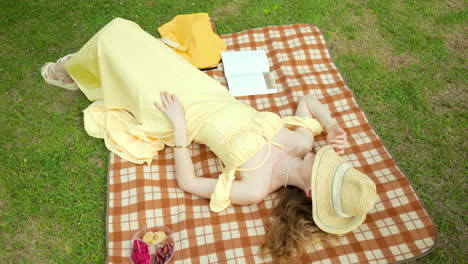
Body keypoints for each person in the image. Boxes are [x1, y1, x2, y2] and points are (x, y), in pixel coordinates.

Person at [41, 17, 376, 263]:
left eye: (326, 164)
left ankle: (69, 70)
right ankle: (82, 65)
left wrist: (179, 128)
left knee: (113, 40)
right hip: (206, 91)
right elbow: (309, 99)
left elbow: (188, 181)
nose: (326, 153)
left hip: (180, 115)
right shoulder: (304, 142)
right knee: (122, 29)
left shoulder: (256, 188)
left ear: (310, 191)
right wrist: (330, 124)